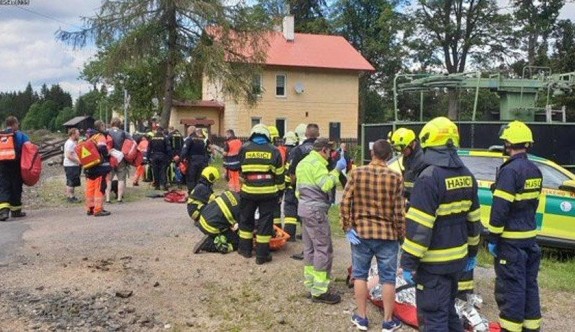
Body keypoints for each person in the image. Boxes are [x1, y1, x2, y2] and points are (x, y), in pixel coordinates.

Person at [400, 117, 482, 331]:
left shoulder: (428, 178)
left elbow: (420, 228)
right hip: (457, 261)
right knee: (448, 312)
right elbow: (474, 221)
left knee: (432, 317)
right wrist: (472, 253)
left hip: (433, 264)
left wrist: (408, 262)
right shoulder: (468, 176)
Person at [341, 139, 405, 331]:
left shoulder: (357, 173)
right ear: (390, 156)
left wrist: (347, 226)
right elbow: (399, 211)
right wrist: (402, 234)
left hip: (361, 233)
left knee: (360, 275)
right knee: (388, 278)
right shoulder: (396, 178)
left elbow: (345, 202)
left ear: (372, 154)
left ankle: (361, 317)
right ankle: (387, 321)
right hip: (387, 235)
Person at [488, 121, 542, 332]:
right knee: (529, 285)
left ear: (508, 143)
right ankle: (532, 327)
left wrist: (493, 238)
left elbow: (500, 209)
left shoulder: (510, 171)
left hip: (510, 241)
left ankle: (510, 328)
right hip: (530, 238)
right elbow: (529, 202)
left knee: (511, 288)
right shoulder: (534, 169)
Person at [296, 138, 347, 304]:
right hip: (316, 212)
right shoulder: (317, 164)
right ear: (324, 150)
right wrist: (337, 170)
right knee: (323, 249)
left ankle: (311, 285)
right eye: (329, 151)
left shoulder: (303, 163)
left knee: (309, 249)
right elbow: (325, 185)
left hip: (304, 209)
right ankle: (320, 291)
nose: (330, 154)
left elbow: (298, 191)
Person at [237, 124, 285, 265]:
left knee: (246, 219)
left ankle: (245, 250)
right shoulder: (274, 150)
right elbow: (280, 175)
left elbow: (239, 169)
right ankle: (262, 256)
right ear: (267, 136)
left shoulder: (244, 148)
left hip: (248, 191)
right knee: (265, 222)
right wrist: (280, 191)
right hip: (268, 193)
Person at [287, 124, 319, 259]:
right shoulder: (323, 150)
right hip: (321, 192)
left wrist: (294, 187)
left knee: (306, 222)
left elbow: (292, 173)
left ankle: (308, 251)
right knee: (319, 222)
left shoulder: (298, 150)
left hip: (305, 193)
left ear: (306, 134)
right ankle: (319, 249)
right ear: (318, 134)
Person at [0, 116, 30, 221]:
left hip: (3, 165)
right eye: (17, 123)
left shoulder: (1, 135)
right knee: (16, 187)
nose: (18, 125)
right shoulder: (20, 135)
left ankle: (3, 212)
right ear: (14, 124)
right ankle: (16, 211)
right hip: (16, 164)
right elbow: (29, 148)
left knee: (4, 187)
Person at [193, 190, 241, 254]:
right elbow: (243, 228)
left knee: (228, 226)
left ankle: (216, 237)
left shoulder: (230, 193)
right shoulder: (241, 207)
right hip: (210, 227)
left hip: (202, 218)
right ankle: (209, 245)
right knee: (238, 241)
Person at [84, 121, 112, 217]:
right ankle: (98, 209)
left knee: (90, 187)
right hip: (100, 167)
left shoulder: (90, 137)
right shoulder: (100, 136)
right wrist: (108, 153)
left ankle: (90, 208)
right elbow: (102, 148)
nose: (105, 127)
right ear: (100, 126)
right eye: (104, 125)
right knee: (100, 188)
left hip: (90, 166)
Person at [389, 127, 427, 200]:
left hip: (418, 198)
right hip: (411, 196)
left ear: (411, 144)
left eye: (402, 148)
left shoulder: (421, 159)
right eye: (397, 149)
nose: (401, 151)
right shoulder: (409, 155)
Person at [106, 118, 131, 202]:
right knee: (121, 179)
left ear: (111, 123)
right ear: (119, 124)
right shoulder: (124, 133)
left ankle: (107, 199)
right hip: (121, 158)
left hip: (110, 158)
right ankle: (119, 198)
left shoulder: (107, 132)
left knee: (109, 179)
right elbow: (132, 142)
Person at [280, 131, 299, 239]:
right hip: (303, 187)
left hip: (291, 186)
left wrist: (285, 186)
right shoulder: (300, 150)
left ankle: (289, 235)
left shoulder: (289, 152)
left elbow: (288, 170)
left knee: (290, 210)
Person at [181, 126, 209, 192]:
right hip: (202, 161)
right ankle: (198, 192)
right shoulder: (201, 140)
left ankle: (191, 192)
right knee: (199, 177)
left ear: (190, 131)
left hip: (193, 161)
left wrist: (181, 159)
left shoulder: (189, 139)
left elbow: (184, 151)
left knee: (191, 177)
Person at [63, 127, 81, 203]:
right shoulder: (70, 143)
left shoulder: (72, 142)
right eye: (78, 133)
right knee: (70, 181)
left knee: (72, 181)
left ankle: (72, 196)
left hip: (72, 165)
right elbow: (68, 155)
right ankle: (70, 197)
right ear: (73, 134)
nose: (79, 134)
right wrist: (78, 161)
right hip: (70, 165)